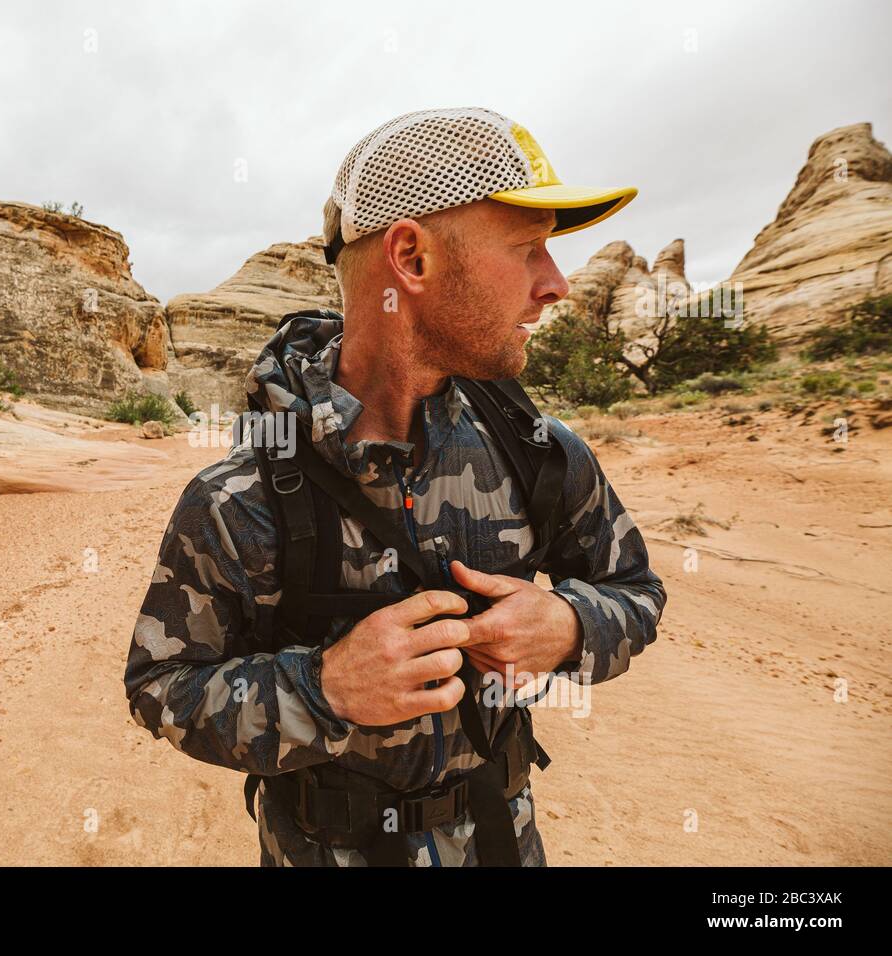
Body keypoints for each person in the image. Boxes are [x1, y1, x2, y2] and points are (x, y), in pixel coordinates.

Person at [124, 107, 666, 866]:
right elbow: (161, 686)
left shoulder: (538, 451)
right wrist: (323, 691)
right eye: (529, 248)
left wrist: (571, 626)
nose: (558, 285)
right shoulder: (238, 494)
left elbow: (636, 590)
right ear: (411, 258)